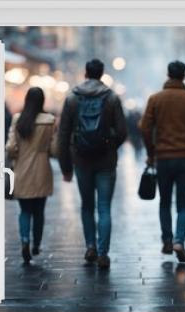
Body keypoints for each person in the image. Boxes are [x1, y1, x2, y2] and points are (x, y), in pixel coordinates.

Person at [140, 60, 185, 263]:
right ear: (184, 76)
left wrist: (151, 150)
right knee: (183, 204)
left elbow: (144, 127)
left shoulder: (155, 99)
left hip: (163, 157)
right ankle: (179, 240)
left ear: (167, 74)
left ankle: (167, 240)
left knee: (164, 202)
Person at [58, 59, 127, 270]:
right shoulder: (112, 97)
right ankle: (104, 253)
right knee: (104, 207)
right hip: (106, 161)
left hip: (81, 160)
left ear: (86, 73)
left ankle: (90, 246)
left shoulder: (72, 98)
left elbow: (63, 135)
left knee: (87, 206)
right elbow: (123, 132)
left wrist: (66, 167)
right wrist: (109, 144)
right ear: (102, 73)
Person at [6, 87, 57, 264]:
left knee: (25, 210)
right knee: (39, 211)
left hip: (22, 170)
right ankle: (36, 244)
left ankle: (25, 241)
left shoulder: (18, 119)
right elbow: (55, 149)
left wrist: (15, 157)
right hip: (42, 170)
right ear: (42, 101)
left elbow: (11, 148)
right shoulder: (50, 120)